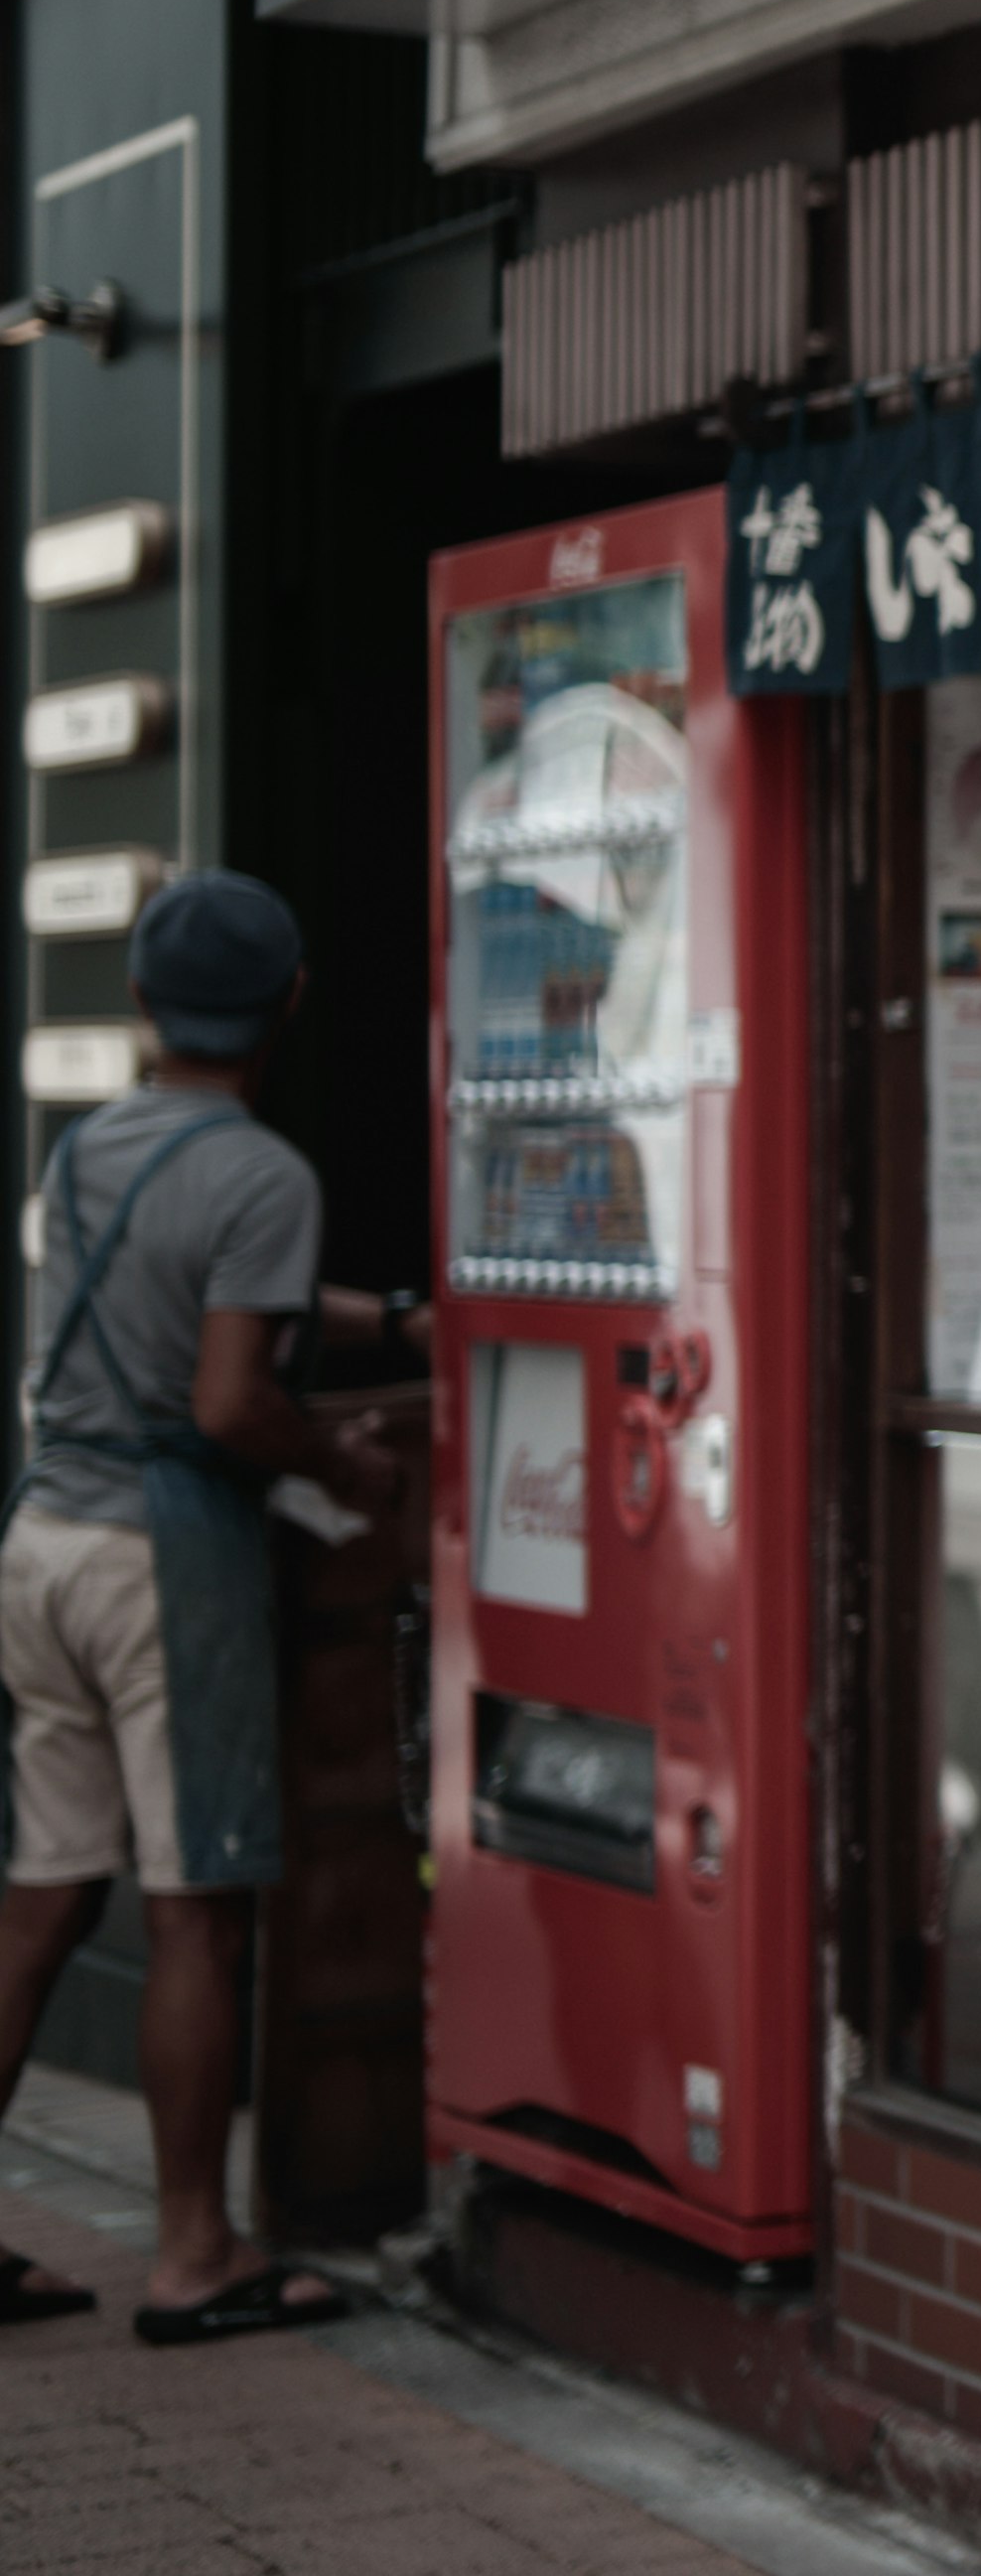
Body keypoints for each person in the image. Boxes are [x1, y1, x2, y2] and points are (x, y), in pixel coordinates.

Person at [0, 872, 415, 2345]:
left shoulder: (80, 1150)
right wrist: (345, 1462)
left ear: (138, 1004)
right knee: (201, 1911)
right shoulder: (266, 1171)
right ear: (289, 1005)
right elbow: (233, 1393)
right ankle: (192, 2252)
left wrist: (387, 1317)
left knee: (45, 1895)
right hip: (162, 1562)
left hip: (45, 1534)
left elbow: (189, 1285)